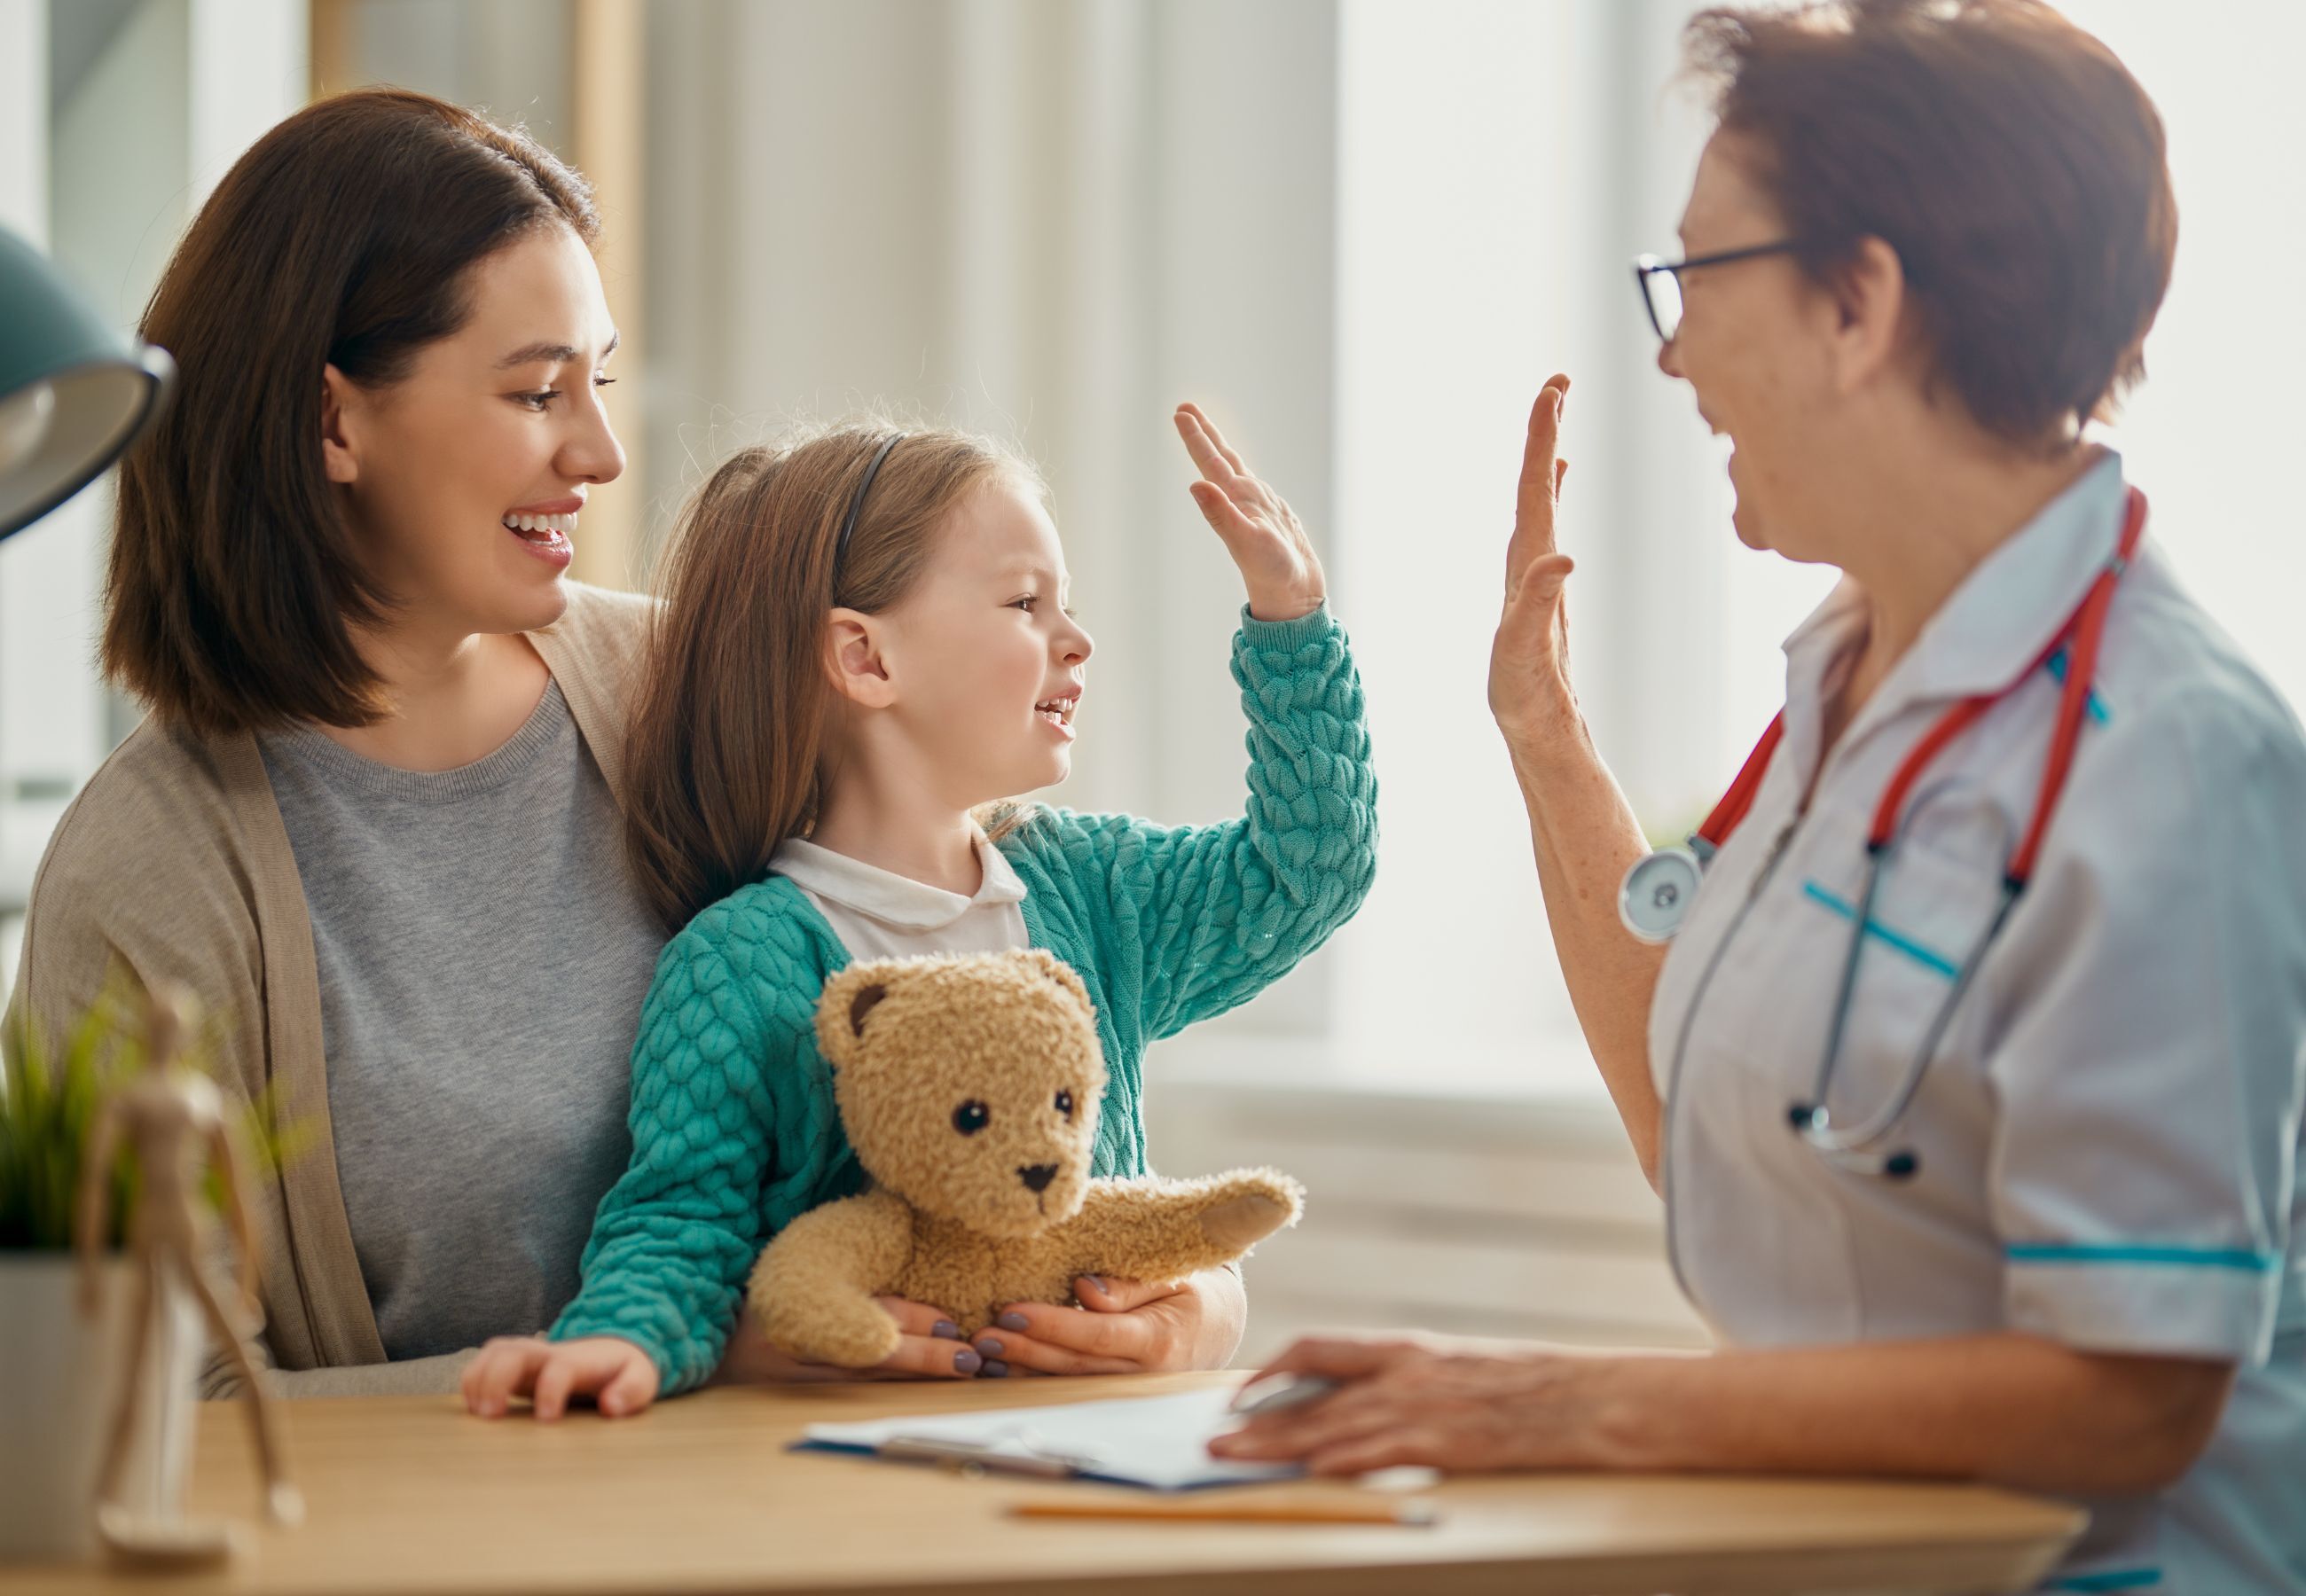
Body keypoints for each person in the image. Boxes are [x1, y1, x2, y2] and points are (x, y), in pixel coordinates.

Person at [1216, 4, 2305, 1591]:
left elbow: (2131, 1391)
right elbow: (1716, 1151)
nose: (1672, 354)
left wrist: (1563, 1405)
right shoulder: (1858, 682)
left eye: (1698, 277)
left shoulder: (2172, 759)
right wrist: (1544, 736)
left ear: (1859, 303)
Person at [461, 409, 1379, 1419]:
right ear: (865, 658)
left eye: (1065, 605)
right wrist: (618, 1338)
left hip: (1087, 1456)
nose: (1076, 639)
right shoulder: (740, 963)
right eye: (1025, 602)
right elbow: (684, 1217)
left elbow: (1310, 865)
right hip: (852, 1469)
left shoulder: (1093, 890)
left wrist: (1292, 624)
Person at [7, 89, 660, 1397]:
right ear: (332, 424)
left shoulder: (681, 692)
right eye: (538, 391)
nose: (600, 453)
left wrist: (1120, 1292)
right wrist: (634, 1367)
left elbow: (963, 1019)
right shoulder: (150, 867)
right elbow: (171, 1402)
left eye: (597, 380)